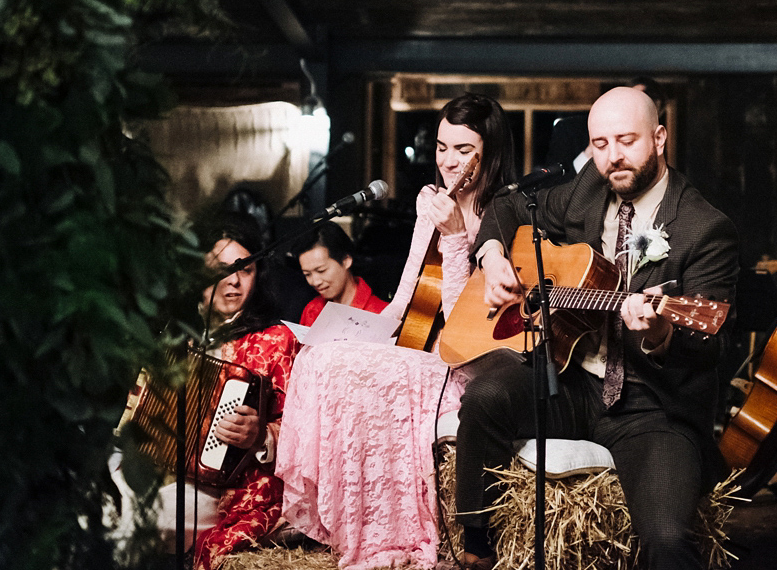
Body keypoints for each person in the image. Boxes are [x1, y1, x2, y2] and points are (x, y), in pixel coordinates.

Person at [448, 86, 739, 570]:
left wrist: (661, 334)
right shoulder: (588, 189)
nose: (613, 157)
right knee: (484, 399)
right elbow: (507, 203)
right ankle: (478, 549)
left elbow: (712, 345)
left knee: (667, 538)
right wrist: (492, 255)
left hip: (652, 404)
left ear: (660, 137)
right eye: (600, 144)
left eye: (626, 140)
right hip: (569, 379)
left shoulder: (703, 228)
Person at [277, 92, 517, 570]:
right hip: (417, 343)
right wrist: (368, 331)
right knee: (319, 355)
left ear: (488, 153)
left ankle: (389, 532)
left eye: (463, 150)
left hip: (462, 363)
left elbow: (457, 318)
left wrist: (453, 238)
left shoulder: (504, 213)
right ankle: (336, 520)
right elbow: (411, 291)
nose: (448, 161)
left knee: (341, 365)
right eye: (443, 147)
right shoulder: (432, 201)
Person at [110, 212, 300, 570]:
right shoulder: (175, 331)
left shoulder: (276, 341)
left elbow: (305, 432)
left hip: (226, 489)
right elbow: (136, 407)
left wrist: (261, 436)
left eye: (246, 269)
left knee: (132, 521)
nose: (234, 282)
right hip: (153, 468)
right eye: (221, 270)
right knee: (94, 504)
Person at [292, 221, 389, 326]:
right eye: (307, 274)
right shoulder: (312, 310)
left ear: (346, 260)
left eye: (321, 271)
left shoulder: (382, 313)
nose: (315, 281)